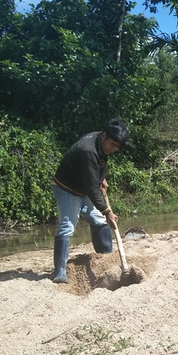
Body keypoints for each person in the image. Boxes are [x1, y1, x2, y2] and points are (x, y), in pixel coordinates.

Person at [50, 119, 132, 283]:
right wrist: (107, 211)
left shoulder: (100, 142)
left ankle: (106, 258)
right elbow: (90, 187)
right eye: (112, 144)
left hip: (83, 187)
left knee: (99, 220)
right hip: (67, 188)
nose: (113, 149)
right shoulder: (88, 149)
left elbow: (97, 166)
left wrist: (101, 177)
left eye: (117, 146)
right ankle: (59, 272)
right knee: (67, 226)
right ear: (104, 136)